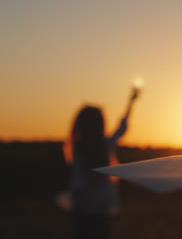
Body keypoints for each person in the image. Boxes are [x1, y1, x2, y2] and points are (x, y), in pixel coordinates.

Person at [60, 87, 140, 239]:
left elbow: (121, 128)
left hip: (84, 208)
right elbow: (121, 129)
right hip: (99, 208)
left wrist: (131, 102)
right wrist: (131, 102)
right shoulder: (102, 145)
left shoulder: (78, 148)